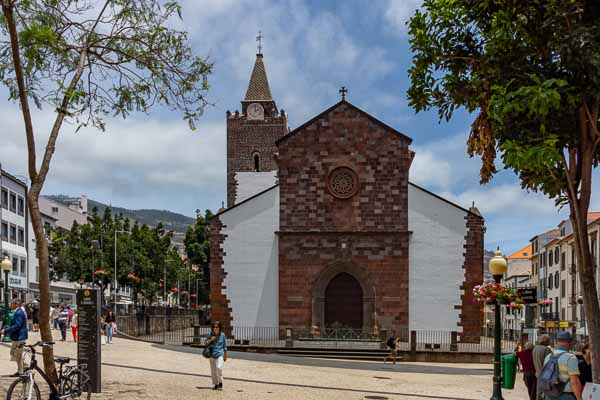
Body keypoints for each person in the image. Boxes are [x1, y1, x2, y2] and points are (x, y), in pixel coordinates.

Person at [541, 331, 582, 400]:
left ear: (557, 342)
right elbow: (574, 382)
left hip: (549, 394)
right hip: (566, 396)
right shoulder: (571, 358)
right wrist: (579, 398)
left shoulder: (548, 357)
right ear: (569, 343)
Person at [0, 299, 29, 376]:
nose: (10, 305)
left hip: (20, 337)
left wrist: (6, 330)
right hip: (16, 337)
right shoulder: (17, 311)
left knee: (18, 354)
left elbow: (18, 325)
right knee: (14, 353)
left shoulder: (19, 312)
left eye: (11, 304)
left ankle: (21, 371)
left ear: (16, 304)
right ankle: (24, 367)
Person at [206, 321, 228, 390]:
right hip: (212, 354)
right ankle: (216, 384)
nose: (215, 328)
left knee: (219, 368)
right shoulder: (210, 334)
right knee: (213, 371)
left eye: (217, 327)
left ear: (219, 327)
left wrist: (225, 355)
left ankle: (220, 383)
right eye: (214, 327)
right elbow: (205, 343)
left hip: (220, 354)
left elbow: (224, 346)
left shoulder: (222, 335)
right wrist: (210, 340)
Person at [533, 334, 552, 400]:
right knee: (545, 394)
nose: (549, 342)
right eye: (549, 340)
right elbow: (549, 363)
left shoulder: (535, 348)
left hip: (538, 374)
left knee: (538, 392)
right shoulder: (546, 349)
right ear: (545, 341)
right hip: (545, 375)